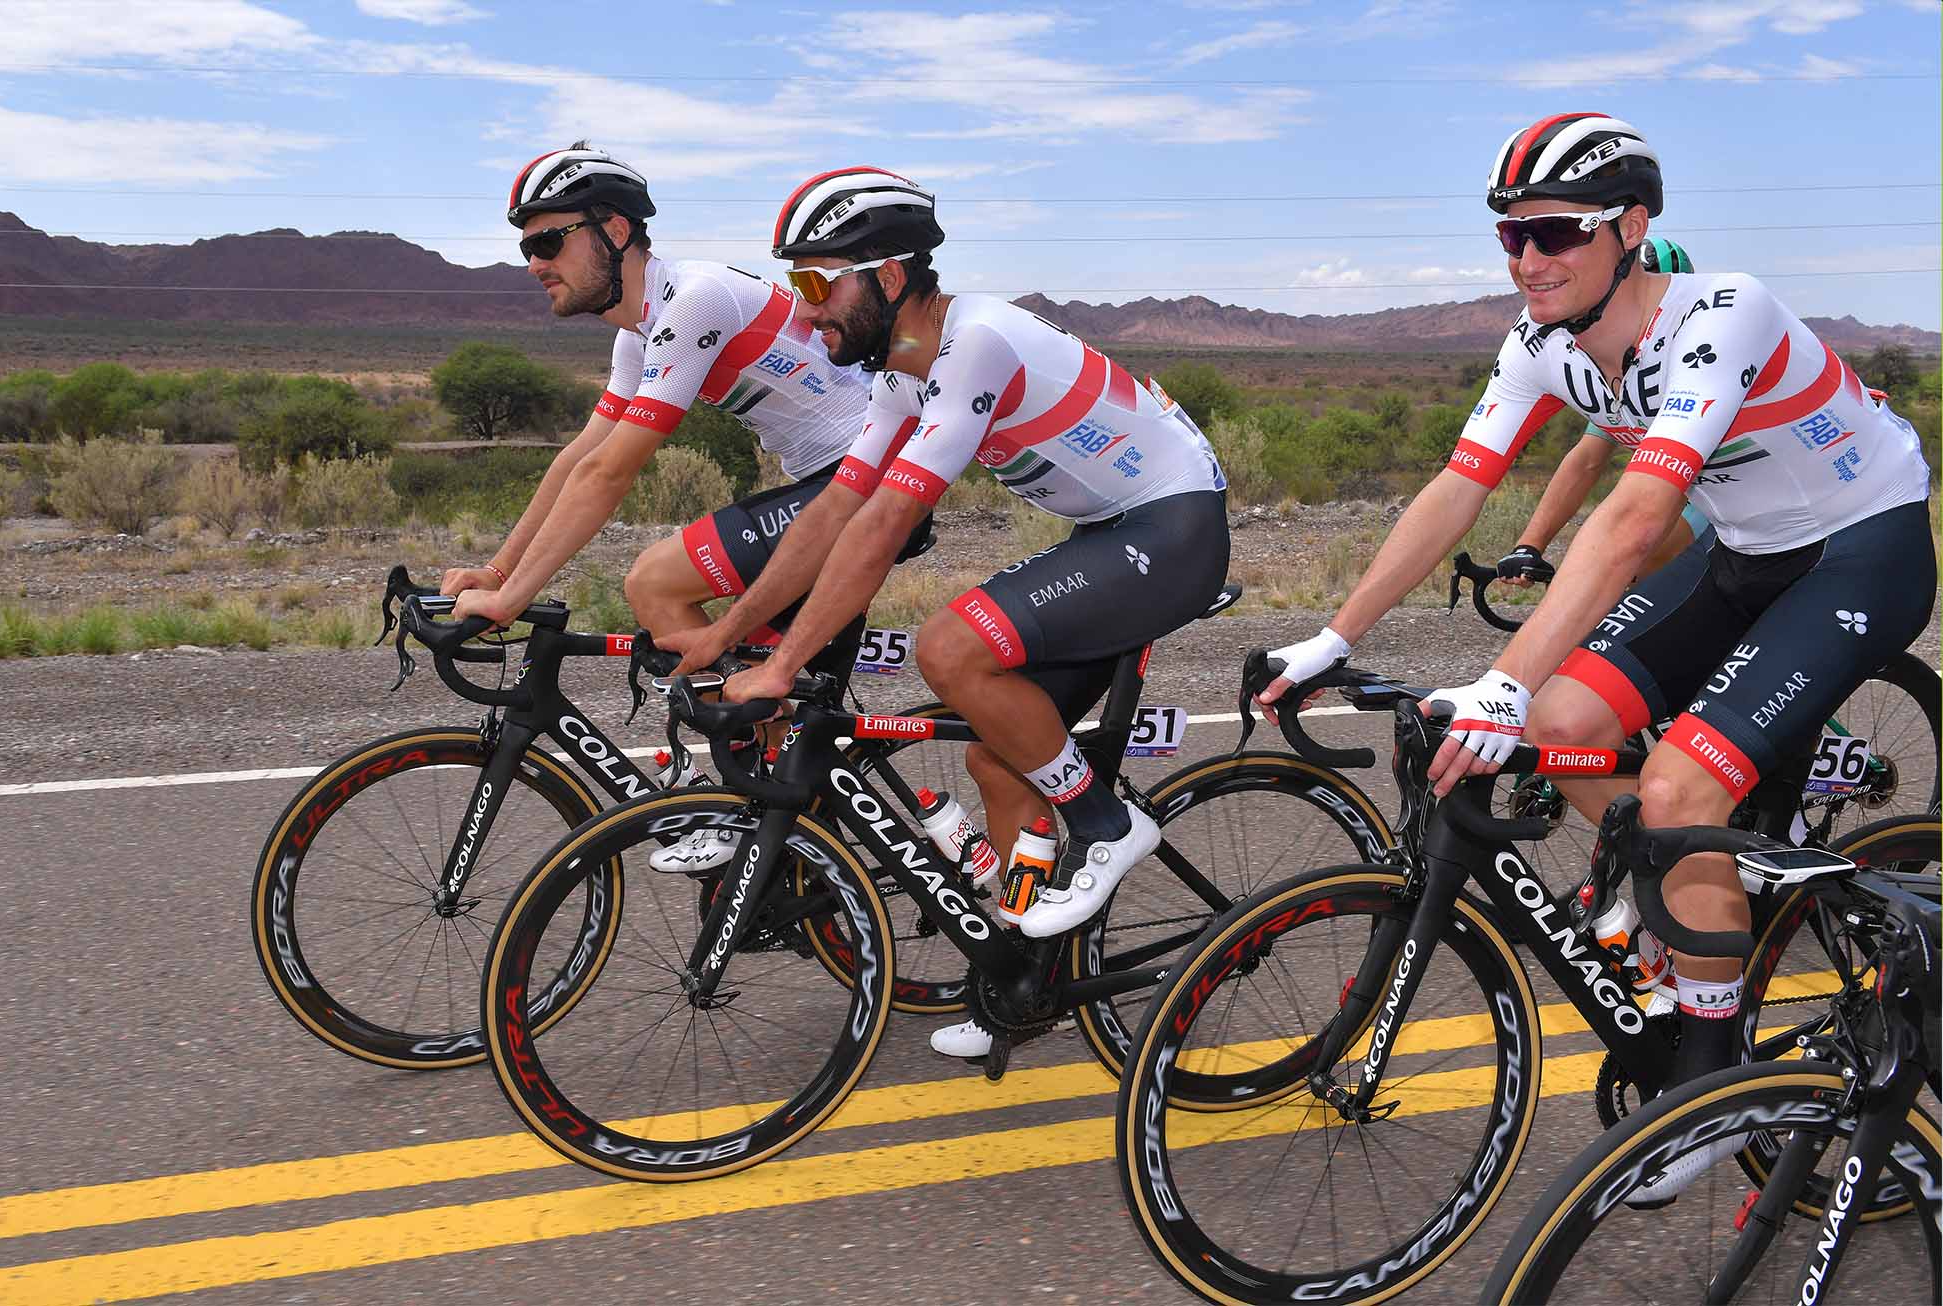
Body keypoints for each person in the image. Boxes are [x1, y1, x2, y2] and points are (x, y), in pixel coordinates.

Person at [1259, 113, 1933, 1193]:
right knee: (1565, 726)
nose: (1528, 259)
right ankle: (1689, 914)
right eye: (1508, 237)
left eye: (1555, 233)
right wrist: (1334, 634)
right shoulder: (1536, 347)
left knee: (1673, 787)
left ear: (1630, 228)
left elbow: (1629, 524)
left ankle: (1709, 1088)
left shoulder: (1723, 314)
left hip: (1860, 549)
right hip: (1752, 552)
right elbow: (1454, 490)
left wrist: (1498, 679)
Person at [659, 167, 1231, 1057]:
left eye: (816, 285)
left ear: (889, 278)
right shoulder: (901, 377)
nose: (804, 314)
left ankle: (1108, 825)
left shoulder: (979, 341)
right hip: (1115, 529)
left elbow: (886, 525)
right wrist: (731, 637)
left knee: (951, 649)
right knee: (1004, 763)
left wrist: (780, 669)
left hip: (1173, 526)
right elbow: (830, 517)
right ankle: (1025, 979)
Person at [444, 143, 926, 659]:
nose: (535, 264)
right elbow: (581, 458)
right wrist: (499, 573)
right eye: (528, 249)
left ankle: (767, 724)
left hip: (875, 477)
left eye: (548, 242)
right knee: (740, 675)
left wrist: (513, 598)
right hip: (833, 478)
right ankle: (774, 734)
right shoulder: (638, 335)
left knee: (655, 583)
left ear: (616, 232)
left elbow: (609, 472)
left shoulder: (695, 300)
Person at [1493, 237, 1712, 587]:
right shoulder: (1615, 371)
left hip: (1750, 501)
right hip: (1694, 496)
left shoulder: (1705, 358)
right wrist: (1529, 545)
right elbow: (1586, 460)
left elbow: (1664, 498)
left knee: (1636, 568)